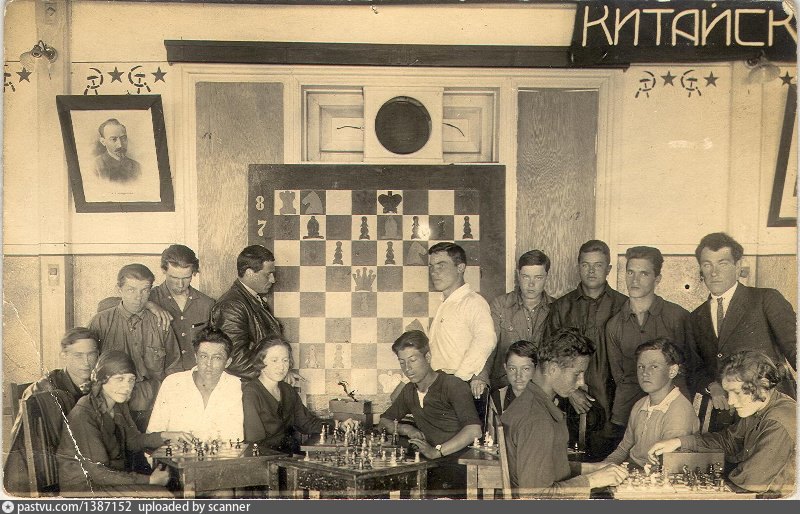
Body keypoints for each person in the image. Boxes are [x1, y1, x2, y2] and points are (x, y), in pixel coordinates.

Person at [501, 328, 628, 498]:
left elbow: (548, 467)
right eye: (577, 374)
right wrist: (592, 480)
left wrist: (593, 469)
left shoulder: (533, 403)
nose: (581, 382)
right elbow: (535, 496)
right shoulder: (537, 420)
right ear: (553, 369)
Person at [649, 351, 796, 497]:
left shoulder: (778, 421)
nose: (730, 401)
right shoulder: (758, 407)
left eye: (737, 393)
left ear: (763, 386)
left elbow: (750, 481)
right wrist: (679, 442)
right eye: (728, 393)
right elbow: (728, 441)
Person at [690, 233, 796, 431]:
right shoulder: (696, 317)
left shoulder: (766, 299)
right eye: (707, 265)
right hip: (725, 416)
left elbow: (795, 350)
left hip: (770, 412)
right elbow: (695, 368)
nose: (714, 272)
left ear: (738, 266)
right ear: (701, 270)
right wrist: (712, 386)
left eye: (722, 263)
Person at [57, 351, 192, 496]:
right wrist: (149, 480)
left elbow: (132, 441)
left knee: (167, 493)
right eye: (119, 379)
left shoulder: (118, 405)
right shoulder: (84, 414)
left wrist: (166, 436)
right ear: (102, 379)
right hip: (84, 488)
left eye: (131, 380)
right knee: (163, 496)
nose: (127, 387)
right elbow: (98, 473)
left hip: (107, 480)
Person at [546, 239, 627, 460]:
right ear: (578, 267)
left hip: (613, 404)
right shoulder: (561, 307)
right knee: (570, 464)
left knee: (609, 464)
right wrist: (571, 391)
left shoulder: (624, 306)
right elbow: (549, 358)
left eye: (598, 265)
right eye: (585, 265)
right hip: (568, 402)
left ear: (609, 269)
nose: (591, 271)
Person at [605, 246, 694, 443]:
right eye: (630, 272)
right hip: (626, 413)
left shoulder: (677, 317)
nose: (634, 280)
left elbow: (688, 367)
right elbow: (618, 375)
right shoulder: (614, 325)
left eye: (643, 273)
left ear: (657, 279)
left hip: (669, 413)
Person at [379, 330, 482, 497]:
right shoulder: (409, 390)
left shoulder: (452, 385)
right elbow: (384, 421)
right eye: (402, 362)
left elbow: (474, 430)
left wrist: (437, 452)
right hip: (428, 464)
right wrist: (407, 429)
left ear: (427, 357)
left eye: (413, 360)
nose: (407, 368)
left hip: (457, 464)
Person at [3, 328, 100, 495]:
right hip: (55, 474)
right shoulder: (42, 392)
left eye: (91, 354)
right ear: (64, 355)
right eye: (78, 355)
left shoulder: (98, 386)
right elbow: (28, 452)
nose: (86, 362)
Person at [89, 264, 182, 431]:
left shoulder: (161, 322)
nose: (138, 297)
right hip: (112, 407)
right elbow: (90, 366)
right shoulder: (100, 322)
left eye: (144, 290)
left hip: (152, 406)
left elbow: (174, 368)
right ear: (119, 289)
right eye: (131, 290)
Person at [242, 337, 354, 453]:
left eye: (285, 360)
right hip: (265, 457)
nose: (281, 366)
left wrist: (338, 425)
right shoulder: (252, 392)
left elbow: (306, 423)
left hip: (289, 453)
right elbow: (254, 441)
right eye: (274, 360)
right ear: (261, 362)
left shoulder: (287, 390)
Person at [602, 338, 699, 468]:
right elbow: (623, 449)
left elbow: (667, 466)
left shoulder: (679, 411)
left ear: (672, 371)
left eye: (654, 366)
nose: (645, 373)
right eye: (641, 367)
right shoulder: (640, 404)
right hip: (633, 470)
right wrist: (600, 468)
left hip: (653, 475)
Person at [147, 327, 244, 443]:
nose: (209, 364)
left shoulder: (234, 386)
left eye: (217, 358)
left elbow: (235, 438)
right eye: (203, 356)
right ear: (196, 357)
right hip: (174, 454)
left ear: (227, 362)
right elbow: (153, 435)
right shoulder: (173, 383)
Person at [477, 250, 554, 394]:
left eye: (538, 277)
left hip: (541, 389)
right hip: (505, 385)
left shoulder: (556, 308)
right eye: (526, 277)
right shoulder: (500, 305)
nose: (531, 284)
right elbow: (487, 346)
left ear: (546, 277)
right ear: (518, 275)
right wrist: (481, 377)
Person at [426, 242, 496, 398]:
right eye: (431, 267)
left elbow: (486, 340)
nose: (434, 272)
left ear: (460, 268)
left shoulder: (473, 302)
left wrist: (459, 378)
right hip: (441, 386)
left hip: (458, 386)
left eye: (441, 266)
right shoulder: (444, 304)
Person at [211, 245, 283, 378]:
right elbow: (235, 360)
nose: (273, 279)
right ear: (250, 273)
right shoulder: (232, 306)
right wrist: (275, 371)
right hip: (245, 386)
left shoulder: (249, 298)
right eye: (268, 274)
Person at [148, 244, 215, 370]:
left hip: (195, 375)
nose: (180, 284)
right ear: (163, 270)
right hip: (162, 377)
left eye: (186, 278)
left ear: (193, 273)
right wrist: (148, 304)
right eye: (174, 277)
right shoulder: (149, 298)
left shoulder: (207, 304)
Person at [485, 340, 536, 441]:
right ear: (505, 368)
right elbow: (493, 440)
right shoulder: (497, 398)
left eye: (525, 369)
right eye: (512, 369)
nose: (518, 375)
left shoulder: (545, 398)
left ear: (535, 369)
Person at [93, 118, 141, 183]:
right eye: (113, 139)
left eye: (123, 138)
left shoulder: (137, 166)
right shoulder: (95, 166)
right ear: (103, 142)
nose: (120, 145)